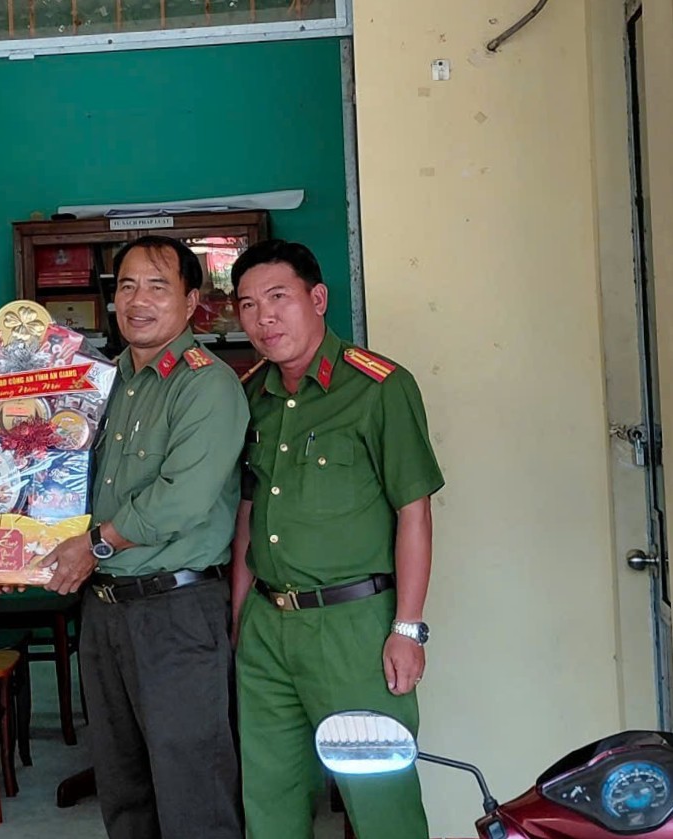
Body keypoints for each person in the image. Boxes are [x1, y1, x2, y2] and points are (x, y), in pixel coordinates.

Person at [230, 239, 444, 839]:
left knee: (380, 806)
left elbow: (414, 512)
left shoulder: (378, 387)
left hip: (352, 627)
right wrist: (240, 616)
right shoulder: (253, 394)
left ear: (318, 298)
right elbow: (249, 510)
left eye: (278, 297)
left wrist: (407, 628)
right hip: (267, 624)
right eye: (248, 305)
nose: (264, 318)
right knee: (269, 798)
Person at [42, 235, 249, 838]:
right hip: (104, 609)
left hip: (176, 612)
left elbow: (181, 498)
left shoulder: (206, 385)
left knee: (192, 789)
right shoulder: (103, 385)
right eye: (127, 286)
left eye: (158, 287)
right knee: (123, 786)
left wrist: (93, 546)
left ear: (191, 302)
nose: (138, 301)